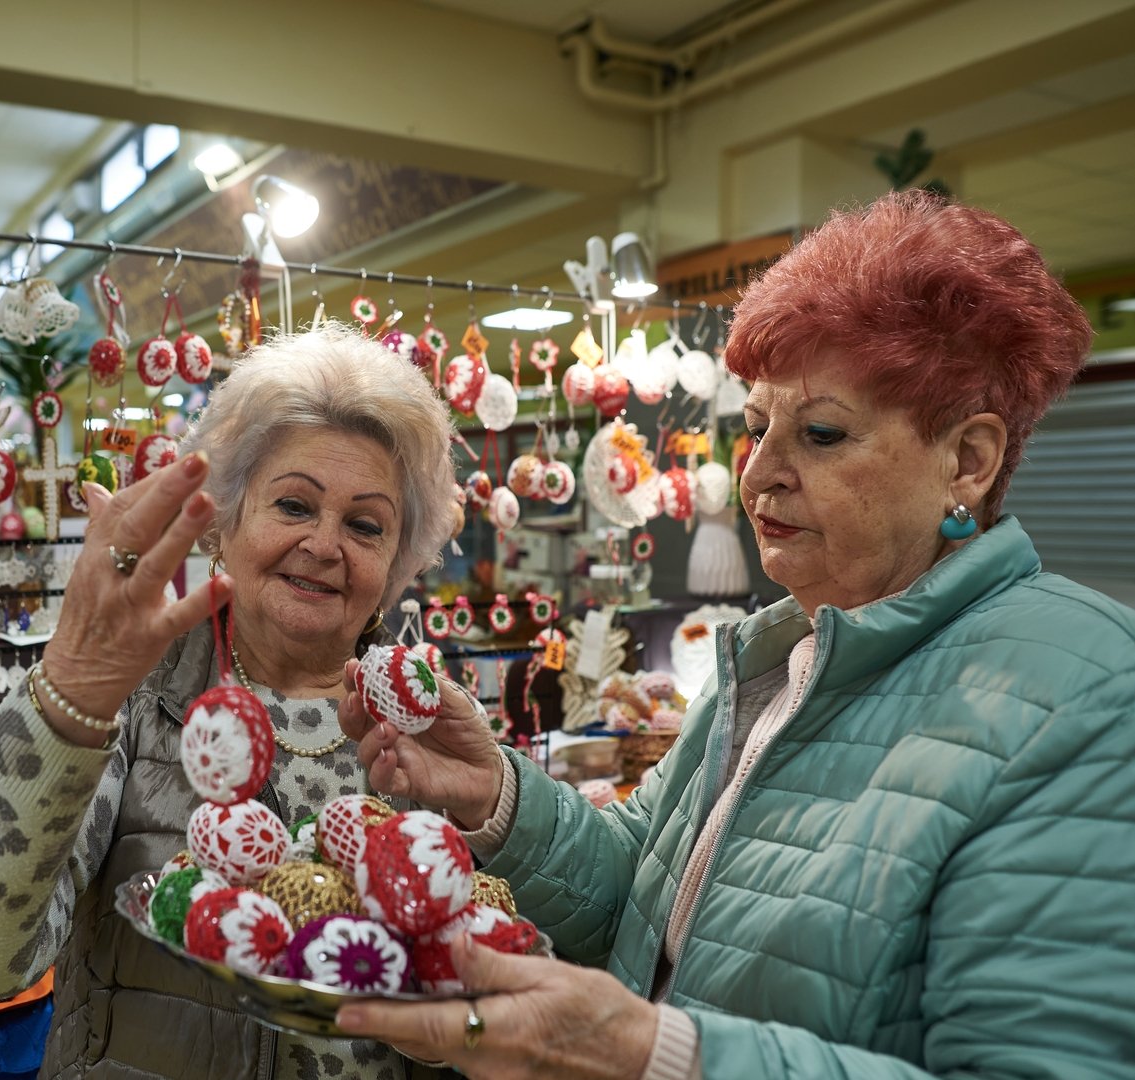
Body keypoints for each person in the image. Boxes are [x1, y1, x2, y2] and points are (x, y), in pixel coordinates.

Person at [334, 191, 1135, 1078]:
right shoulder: (778, 656)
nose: (756, 475)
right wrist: (498, 799)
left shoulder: (1084, 697)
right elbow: (642, 904)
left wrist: (662, 1056)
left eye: (820, 434)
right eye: (753, 428)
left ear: (968, 461)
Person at [0, 323, 460, 1079]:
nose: (325, 544)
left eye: (364, 525)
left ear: (394, 566)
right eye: (293, 506)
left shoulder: (431, 727)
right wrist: (69, 690)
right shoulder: (134, 697)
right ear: (222, 523)